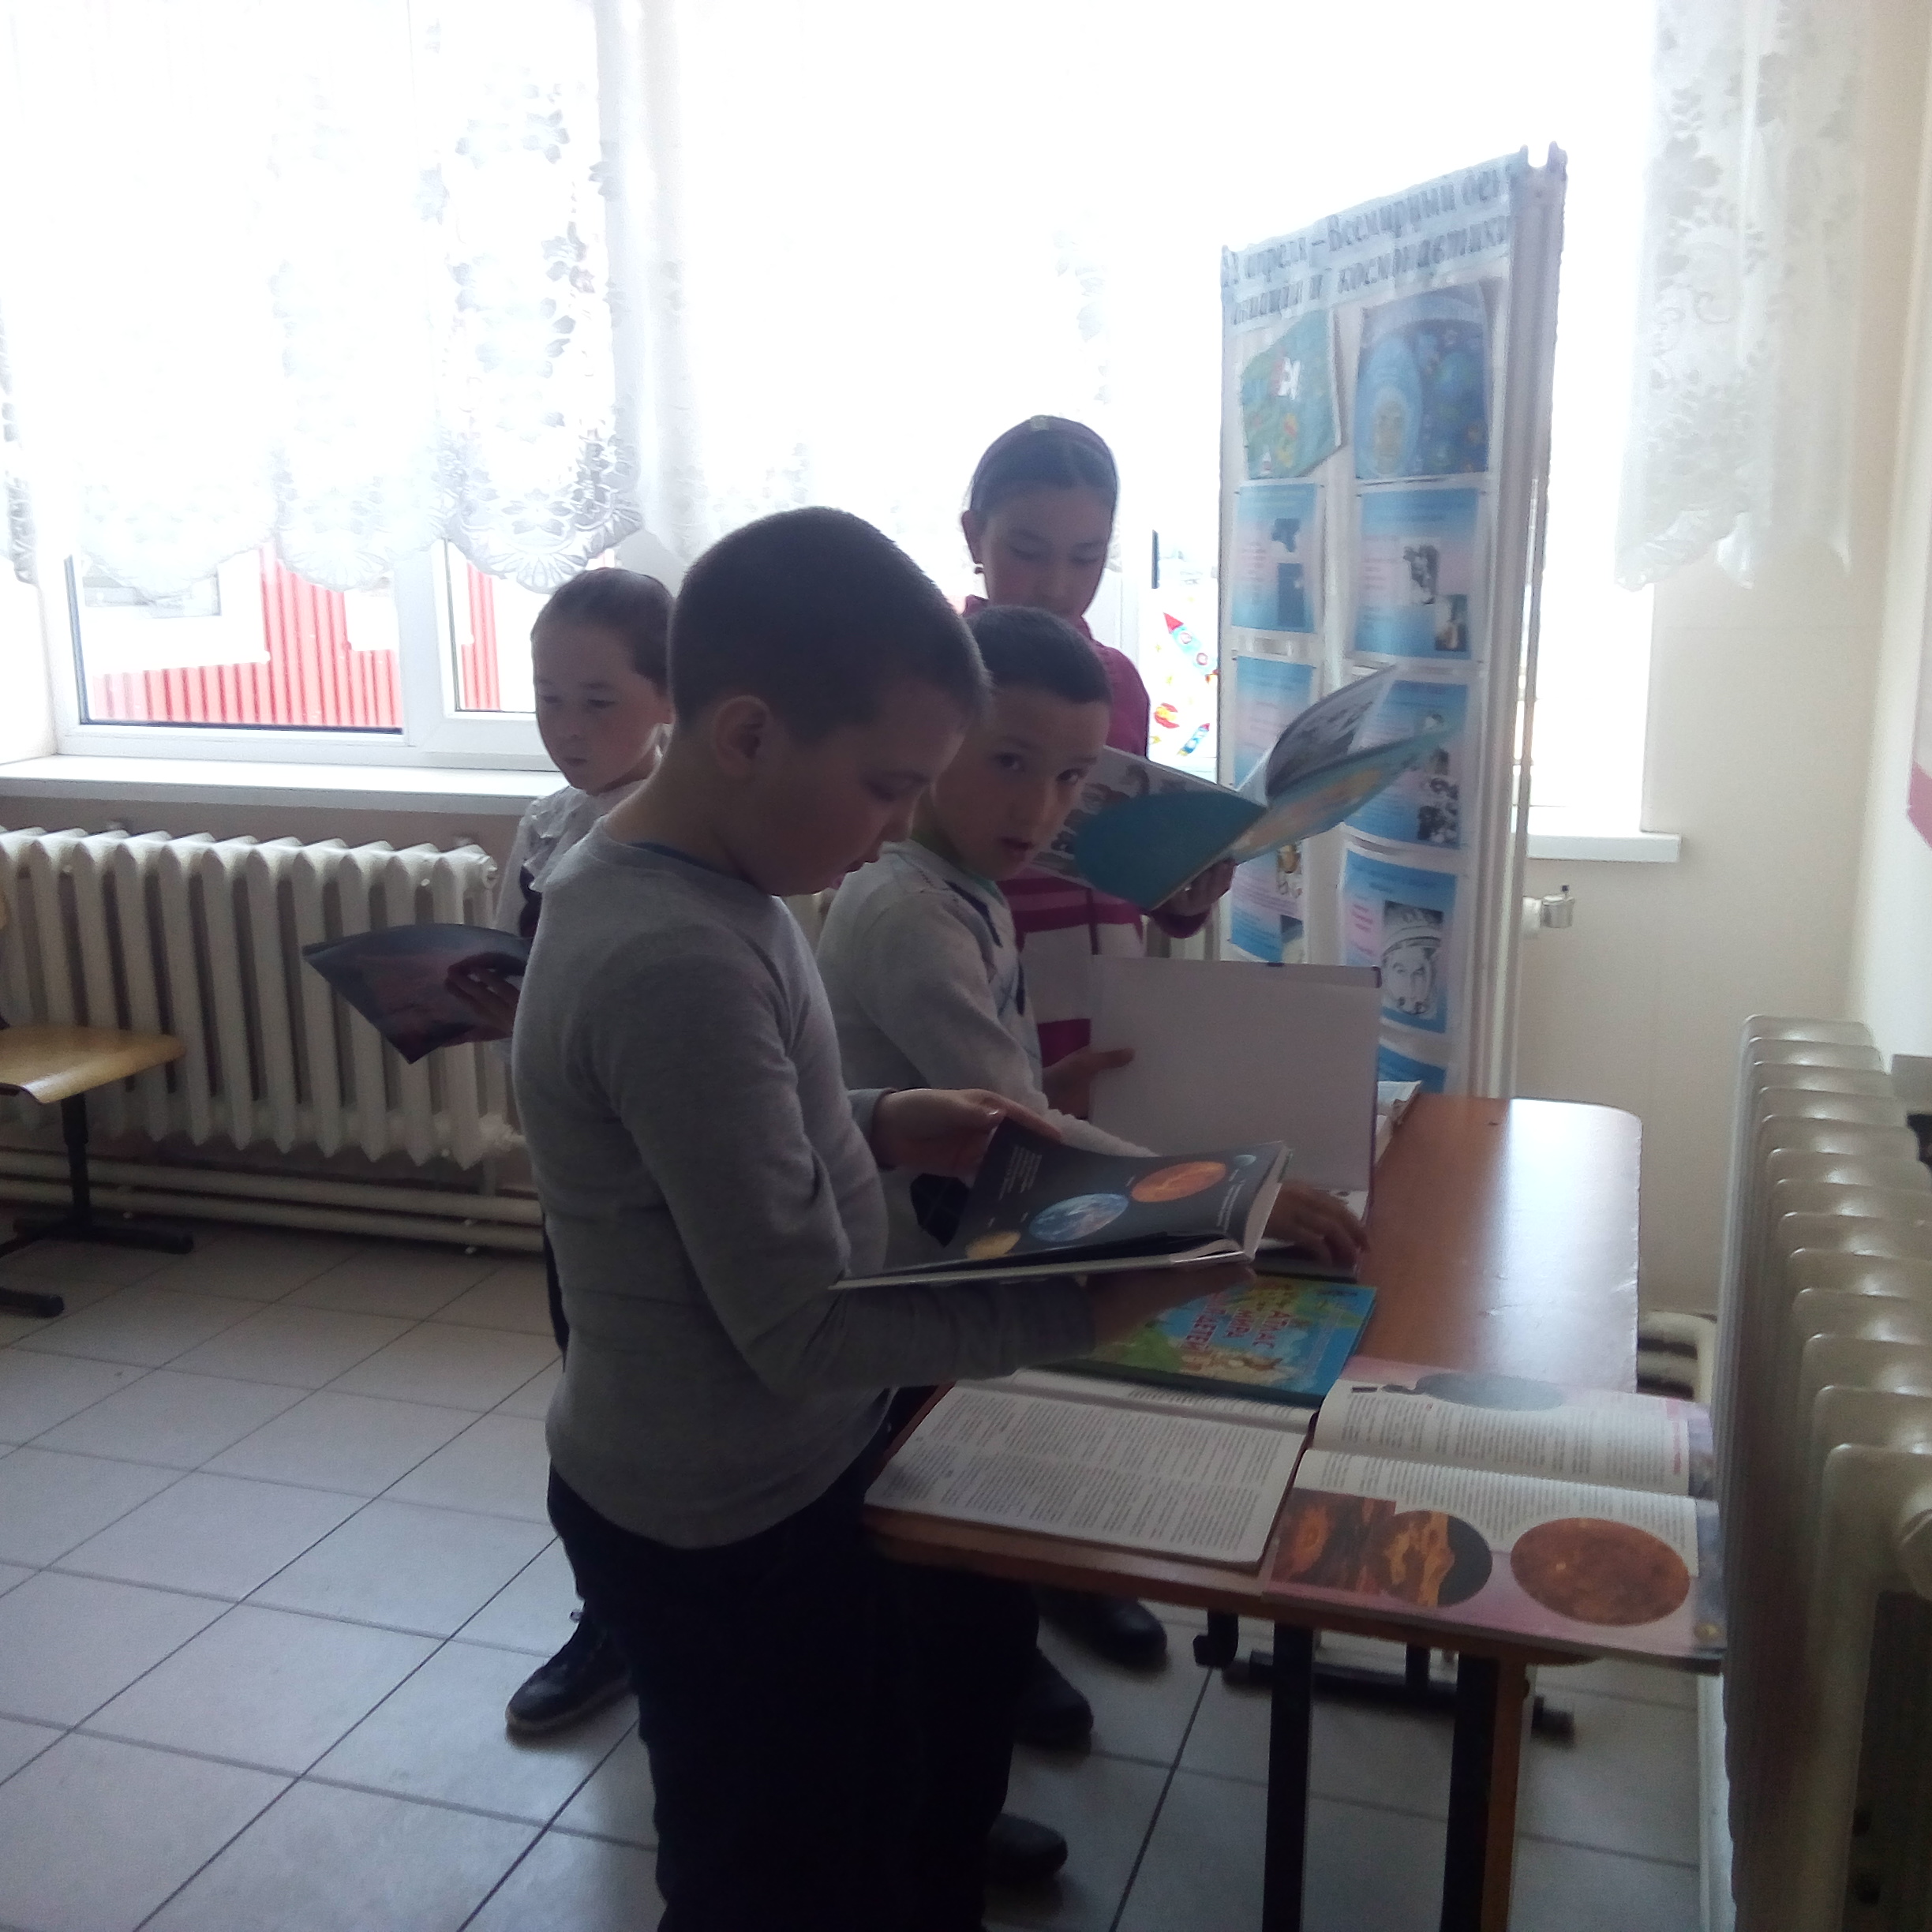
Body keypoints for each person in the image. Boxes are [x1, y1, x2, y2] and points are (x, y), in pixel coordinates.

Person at [511, 506, 1246, 1932]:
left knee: (861, 1798)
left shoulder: (711, 886)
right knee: (771, 1875)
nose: (901, 824)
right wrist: (1091, 1302)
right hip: (717, 1514)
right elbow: (801, 1330)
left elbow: (722, 1130)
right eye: (885, 786)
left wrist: (879, 1115)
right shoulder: (673, 955)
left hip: (768, 1474)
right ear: (746, 734)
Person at [960, 416, 1234, 1729]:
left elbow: (1133, 865)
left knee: (1088, 1286)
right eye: (1028, 550)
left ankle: (1071, 1565)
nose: (1055, 584)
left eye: (1085, 558)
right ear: (974, 538)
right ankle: (992, 1617)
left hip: (1103, 1003)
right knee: (996, 1297)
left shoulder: (1114, 676)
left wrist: (1189, 887)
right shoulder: (931, 671)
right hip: (981, 999)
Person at [444, 566, 674, 1739]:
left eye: (597, 702)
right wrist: (492, 1005)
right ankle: (609, 1619)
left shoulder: (684, 831)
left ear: (669, 699)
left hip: (664, 1174)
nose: (568, 729)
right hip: (572, 1170)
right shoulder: (543, 823)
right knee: (584, 1381)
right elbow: (515, 975)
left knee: (652, 1397)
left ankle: (667, 1618)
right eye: (546, 700)